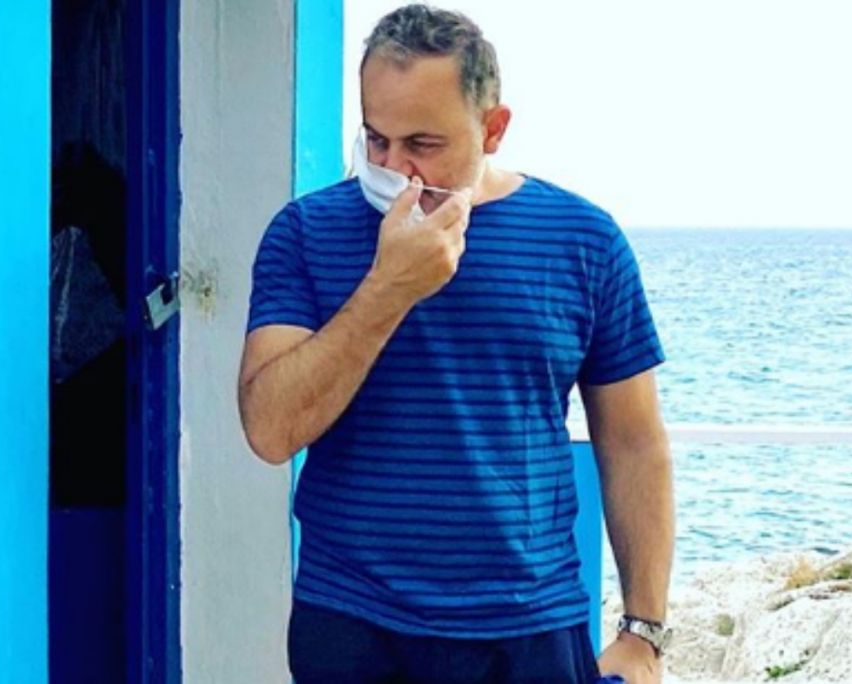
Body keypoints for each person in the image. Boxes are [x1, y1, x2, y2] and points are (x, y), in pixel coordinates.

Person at [238, 5, 674, 682]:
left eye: (422, 142)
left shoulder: (582, 240)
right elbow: (269, 431)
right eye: (376, 139)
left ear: (493, 128)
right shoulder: (304, 232)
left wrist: (643, 631)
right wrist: (388, 289)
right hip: (353, 620)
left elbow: (633, 441)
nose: (395, 168)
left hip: (529, 625)